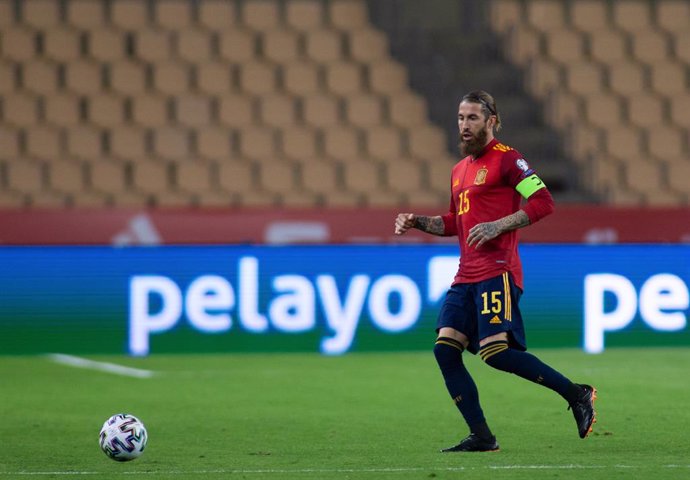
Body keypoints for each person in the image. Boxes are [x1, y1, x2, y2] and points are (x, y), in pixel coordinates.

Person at [394, 90, 596, 452]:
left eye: (472, 118)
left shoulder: (508, 160)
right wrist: (417, 221)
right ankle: (483, 437)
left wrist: (500, 225)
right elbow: (457, 222)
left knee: (495, 353)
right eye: (460, 117)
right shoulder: (459, 170)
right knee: (445, 350)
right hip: (465, 274)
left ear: (492, 121)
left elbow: (543, 202)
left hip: (497, 270)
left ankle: (576, 393)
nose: (464, 125)